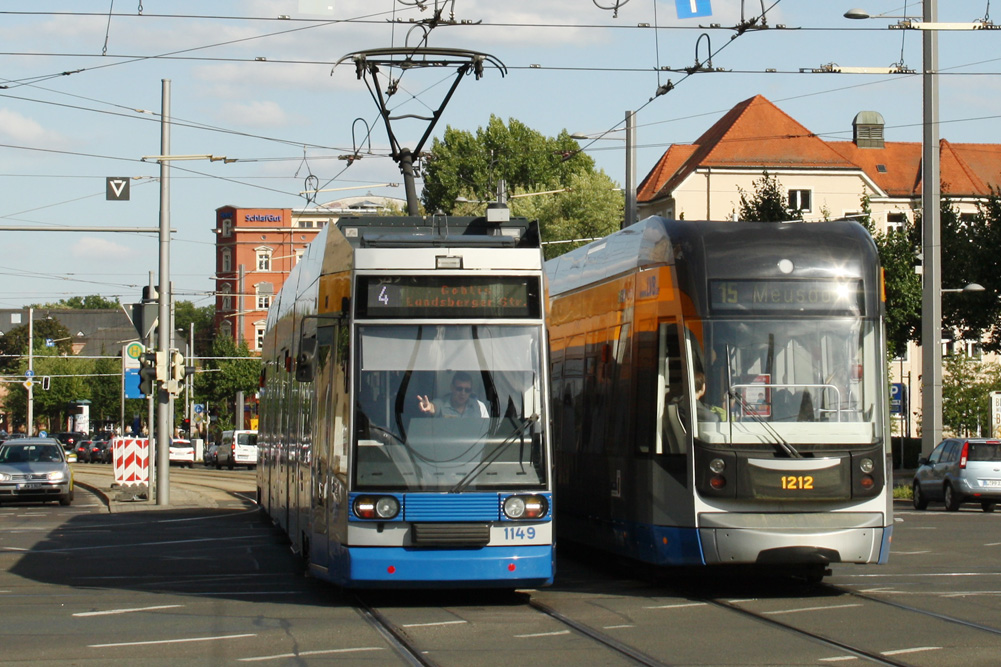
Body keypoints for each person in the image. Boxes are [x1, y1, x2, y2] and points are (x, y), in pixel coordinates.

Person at [417, 371, 489, 418]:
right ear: (452, 387)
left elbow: (487, 430)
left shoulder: (479, 406)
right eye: (459, 389)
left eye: (467, 390)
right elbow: (433, 407)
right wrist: (429, 407)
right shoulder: (441, 403)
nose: (463, 393)